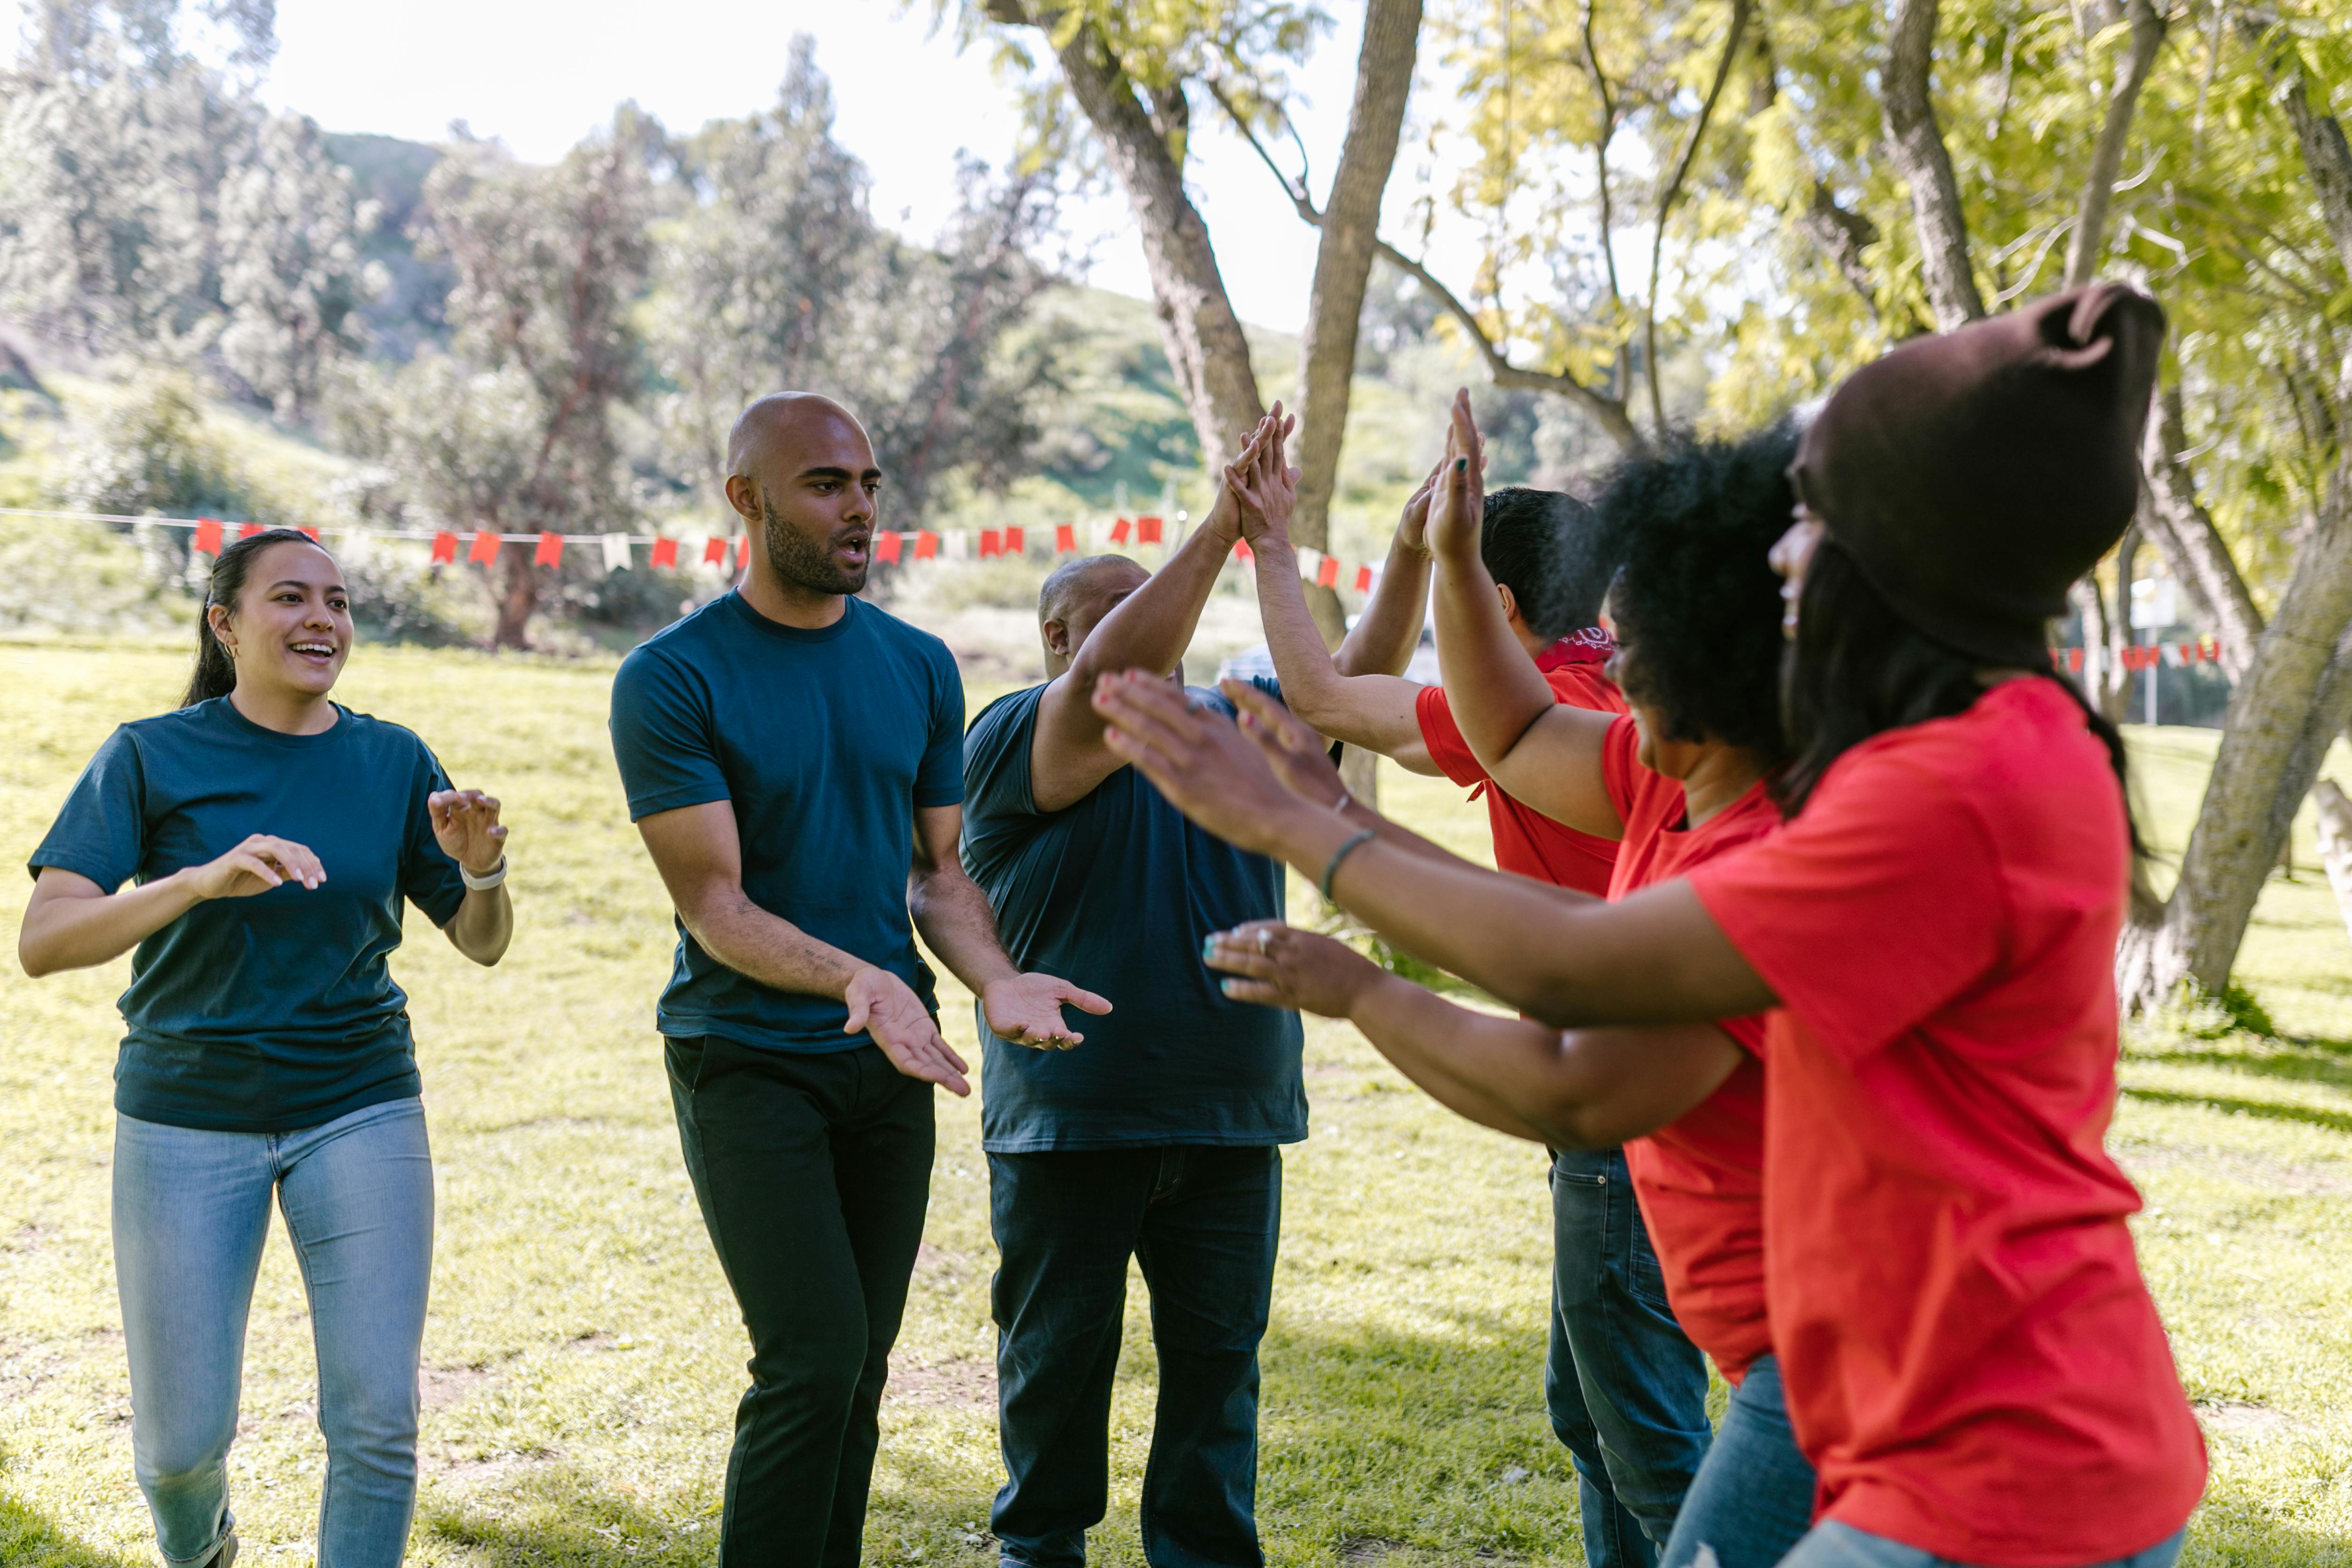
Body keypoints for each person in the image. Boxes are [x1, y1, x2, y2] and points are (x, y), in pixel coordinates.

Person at [1093, 284, 2207, 1567]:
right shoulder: (1944, 743)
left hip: (1998, 1451)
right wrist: (1423, 614)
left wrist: (1308, 838)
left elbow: (1576, 980)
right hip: (1944, 1409)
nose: (1780, 553)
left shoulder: (1936, 787)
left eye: (1814, 521)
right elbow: (1520, 750)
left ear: (1897, 553)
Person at [1230, 421, 1819, 1566]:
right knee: (1591, 1410)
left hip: (1675, 1164)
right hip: (1683, 1175)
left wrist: (1349, 964)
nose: (1620, 658)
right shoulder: (1651, 737)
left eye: (1635, 640)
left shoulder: (1697, 789)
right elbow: (1504, 739)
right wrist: (1439, 558)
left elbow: (1575, 1061)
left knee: (1646, 1436)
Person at [608, 392, 1109, 1568]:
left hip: (892, 1064)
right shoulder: (670, 677)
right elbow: (714, 905)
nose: (860, 509)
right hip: (746, 1057)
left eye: (870, 484)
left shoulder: (919, 667)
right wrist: (861, 983)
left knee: (862, 1366)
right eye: (827, 484)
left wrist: (991, 980)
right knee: (811, 1357)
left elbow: (938, 875)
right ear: (747, 499)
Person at [20, 527, 515, 1568]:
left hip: (361, 1102)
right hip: (184, 1116)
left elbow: (481, 946)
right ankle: (203, 1549)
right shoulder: (151, 755)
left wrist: (479, 874)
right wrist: (196, 881)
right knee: (177, 1447)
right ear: (225, 623)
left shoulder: (393, 758)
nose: (322, 621)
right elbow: (46, 938)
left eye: (338, 602)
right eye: (291, 598)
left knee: (377, 1420)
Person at [960, 408, 1324, 1568]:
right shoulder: (1018, 733)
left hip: (1230, 1116)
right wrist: (1217, 526)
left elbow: (1354, 691)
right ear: (1060, 636)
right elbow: (1115, 674)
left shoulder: (1227, 728)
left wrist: (1398, 552)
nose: (1147, 630)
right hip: (1076, 1117)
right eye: (1118, 610)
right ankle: (1041, 1556)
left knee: (1219, 1389)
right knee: (1055, 1375)